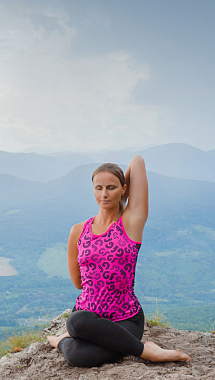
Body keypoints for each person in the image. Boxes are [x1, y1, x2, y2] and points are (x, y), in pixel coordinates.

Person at [47, 156, 191, 367]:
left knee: (81, 354)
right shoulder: (78, 231)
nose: (104, 194)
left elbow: (138, 162)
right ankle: (144, 350)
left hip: (125, 318)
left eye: (111, 187)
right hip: (88, 321)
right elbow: (78, 283)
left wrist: (124, 180)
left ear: (124, 189)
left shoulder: (131, 222)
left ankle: (143, 351)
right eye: (99, 188)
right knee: (76, 323)